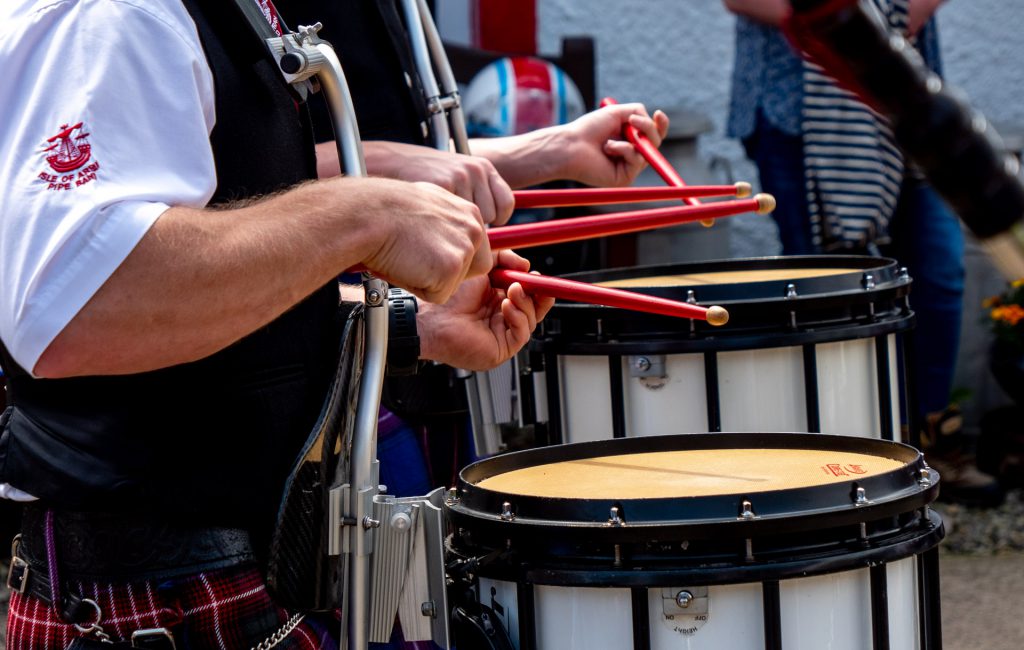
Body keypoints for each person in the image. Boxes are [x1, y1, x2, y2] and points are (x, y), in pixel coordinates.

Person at [0, 1, 667, 648]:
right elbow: (72, 306)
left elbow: (218, 276)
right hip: (153, 599)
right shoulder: (112, 14)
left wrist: (408, 327)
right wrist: (365, 214)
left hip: (249, 563)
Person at [724, 0, 999, 505]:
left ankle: (933, 441)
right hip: (792, 109)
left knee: (939, 272)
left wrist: (890, 16)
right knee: (818, 293)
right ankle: (835, 460)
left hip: (908, 101)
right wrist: (831, 21)